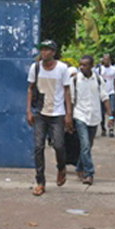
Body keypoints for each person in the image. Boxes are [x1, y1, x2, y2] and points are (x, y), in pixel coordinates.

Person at [26, 40, 74, 196]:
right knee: (38, 147)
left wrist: (68, 114)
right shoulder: (35, 68)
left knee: (59, 145)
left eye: (47, 50)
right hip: (40, 112)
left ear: (53, 52)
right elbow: (30, 89)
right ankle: (40, 182)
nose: (44, 52)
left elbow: (67, 91)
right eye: (42, 50)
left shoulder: (62, 68)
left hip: (57, 113)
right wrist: (29, 110)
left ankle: (61, 168)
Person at [71, 55, 103, 185]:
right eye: (80, 65)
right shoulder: (75, 80)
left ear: (91, 66)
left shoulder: (98, 80)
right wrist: (68, 118)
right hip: (80, 115)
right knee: (84, 144)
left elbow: (104, 97)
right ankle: (89, 173)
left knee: (88, 145)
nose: (81, 67)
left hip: (94, 116)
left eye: (84, 65)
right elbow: (71, 99)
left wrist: (111, 116)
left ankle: (79, 167)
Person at [98, 53, 115, 137]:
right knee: (102, 112)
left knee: (112, 111)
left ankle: (111, 128)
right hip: (102, 93)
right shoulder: (100, 69)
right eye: (104, 59)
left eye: (107, 59)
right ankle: (103, 128)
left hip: (111, 92)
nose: (106, 60)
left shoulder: (114, 69)